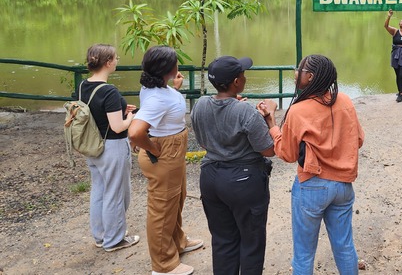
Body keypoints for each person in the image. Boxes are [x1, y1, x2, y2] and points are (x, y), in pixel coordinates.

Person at [262, 54, 365, 275]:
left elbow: (288, 154)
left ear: (310, 77)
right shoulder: (345, 101)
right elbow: (358, 140)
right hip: (343, 186)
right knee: (345, 246)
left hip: (312, 185)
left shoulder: (298, 111)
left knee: (304, 253)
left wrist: (271, 124)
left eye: (299, 70)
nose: (295, 74)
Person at [190, 56, 275, 275]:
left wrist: (233, 106)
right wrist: (269, 118)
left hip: (210, 178)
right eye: (243, 75)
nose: (245, 77)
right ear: (236, 82)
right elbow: (268, 150)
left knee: (223, 239)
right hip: (243, 181)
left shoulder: (200, 105)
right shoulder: (245, 112)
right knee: (251, 242)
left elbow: (202, 141)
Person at [128, 46, 203, 275]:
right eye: (175, 61)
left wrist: (173, 87)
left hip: (173, 151)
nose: (178, 64)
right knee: (162, 207)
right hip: (164, 152)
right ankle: (163, 265)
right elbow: (135, 132)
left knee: (176, 200)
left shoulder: (156, 87)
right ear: (167, 68)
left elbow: (163, 100)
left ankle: (177, 242)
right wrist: (155, 150)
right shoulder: (157, 99)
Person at [77, 44, 140, 252]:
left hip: (92, 146)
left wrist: (120, 109)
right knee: (115, 192)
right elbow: (117, 126)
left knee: (99, 190)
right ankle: (115, 240)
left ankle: (101, 236)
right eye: (115, 58)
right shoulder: (109, 91)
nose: (117, 60)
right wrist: (130, 117)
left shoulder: (83, 86)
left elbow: (96, 112)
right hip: (111, 147)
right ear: (108, 62)